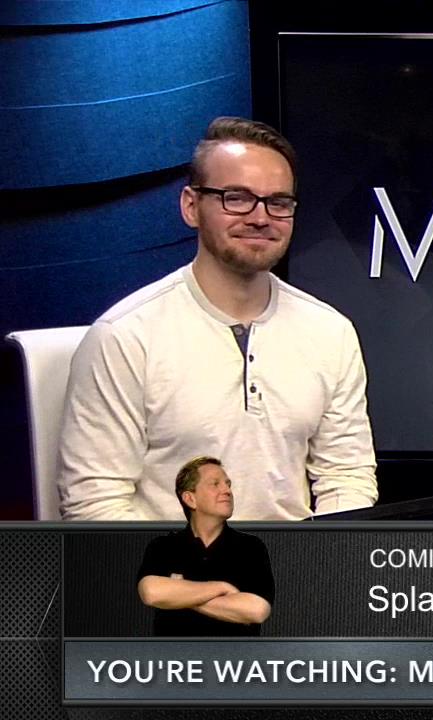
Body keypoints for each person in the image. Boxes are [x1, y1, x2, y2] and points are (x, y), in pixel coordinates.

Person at [58, 116, 378, 520]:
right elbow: (94, 506)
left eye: (279, 203)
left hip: (296, 559)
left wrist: (329, 553)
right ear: (191, 206)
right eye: (236, 198)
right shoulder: (125, 336)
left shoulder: (331, 332)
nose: (260, 217)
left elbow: (346, 477)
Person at [137, 456, 274, 636]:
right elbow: (151, 592)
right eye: (215, 484)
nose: (227, 491)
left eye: (228, 484)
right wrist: (221, 588)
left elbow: (257, 610)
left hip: (235, 654)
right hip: (175, 653)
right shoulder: (163, 546)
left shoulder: (250, 547)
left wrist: (178, 594)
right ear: (190, 499)